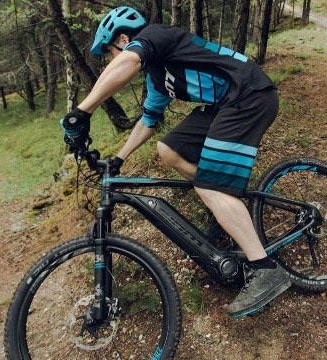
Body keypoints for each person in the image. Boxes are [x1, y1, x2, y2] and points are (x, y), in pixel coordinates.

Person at [61, 6, 290, 318]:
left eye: (110, 53)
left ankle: (265, 269)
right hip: (226, 104)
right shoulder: (157, 77)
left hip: (249, 95)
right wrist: (118, 159)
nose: (111, 61)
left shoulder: (157, 36)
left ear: (125, 39)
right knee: (168, 149)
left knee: (210, 187)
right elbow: (148, 121)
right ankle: (226, 197)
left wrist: (82, 111)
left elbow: (128, 60)